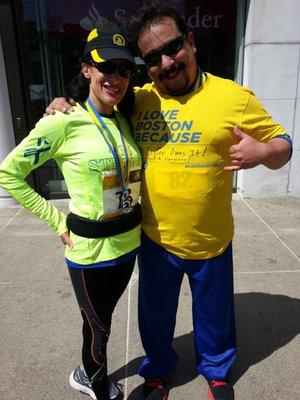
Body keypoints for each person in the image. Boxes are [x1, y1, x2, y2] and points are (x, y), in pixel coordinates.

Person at [45, 3, 293, 400]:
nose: (165, 62)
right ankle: (158, 373)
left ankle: (216, 373)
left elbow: (285, 145)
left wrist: (264, 152)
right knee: (155, 318)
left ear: (191, 43)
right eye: (151, 59)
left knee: (214, 316)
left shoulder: (233, 97)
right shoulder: (140, 99)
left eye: (173, 47)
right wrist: (64, 102)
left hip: (210, 239)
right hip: (154, 238)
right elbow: (97, 96)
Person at [0, 25, 143, 400]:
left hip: (128, 244)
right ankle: (94, 383)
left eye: (124, 70)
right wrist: (55, 220)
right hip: (90, 252)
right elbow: (9, 174)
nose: (115, 78)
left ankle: (86, 370)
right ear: (86, 69)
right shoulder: (62, 121)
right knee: (99, 329)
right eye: (105, 68)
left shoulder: (125, 116)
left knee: (105, 320)